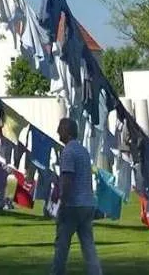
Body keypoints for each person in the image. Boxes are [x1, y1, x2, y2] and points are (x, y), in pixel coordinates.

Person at [51, 117, 103, 275]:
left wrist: (62, 203)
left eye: (60, 128)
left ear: (66, 131)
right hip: (87, 203)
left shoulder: (68, 151)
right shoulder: (83, 151)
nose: (57, 131)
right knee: (88, 245)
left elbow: (67, 179)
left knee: (62, 245)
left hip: (73, 204)